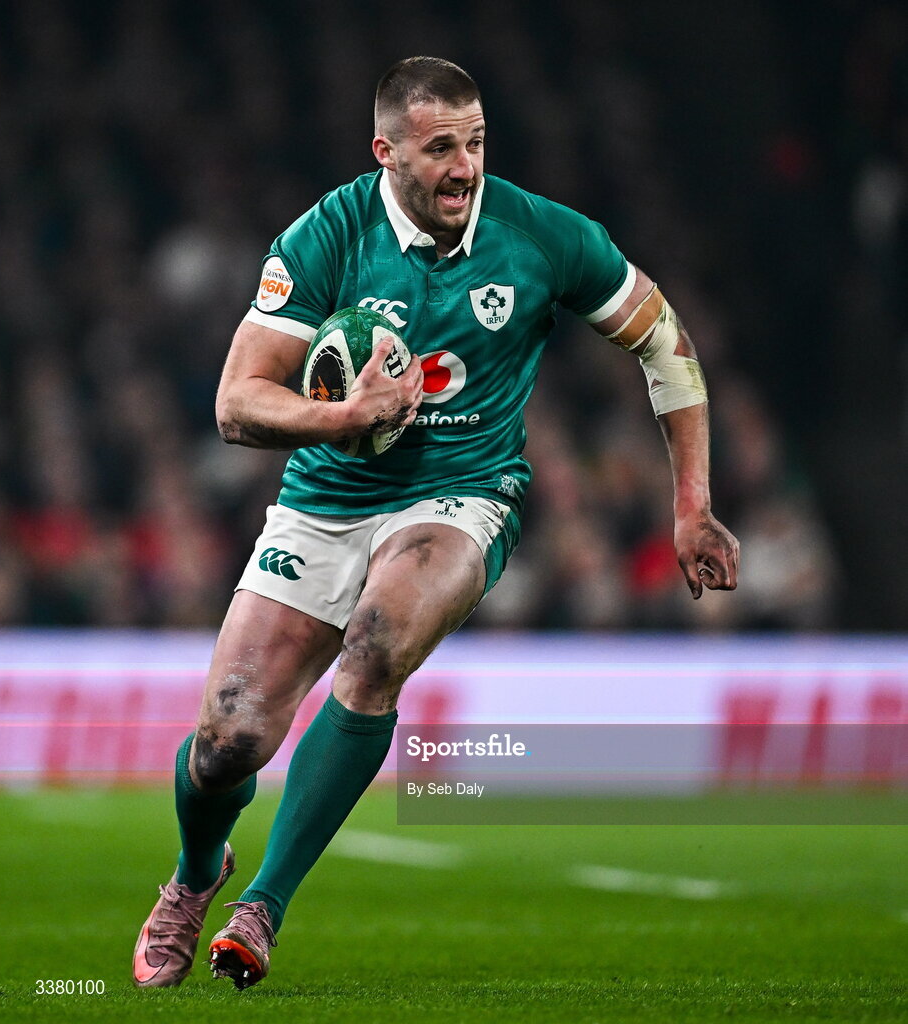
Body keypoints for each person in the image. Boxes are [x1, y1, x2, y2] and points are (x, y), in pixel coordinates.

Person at [132, 56, 739, 991]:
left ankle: (263, 906)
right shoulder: (328, 235)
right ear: (386, 153)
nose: (465, 167)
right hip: (326, 498)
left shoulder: (541, 234)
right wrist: (345, 416)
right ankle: (192, 876)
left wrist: (691, 503)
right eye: (441, 148)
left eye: (477, 143)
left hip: (463, 494)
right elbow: (235, 404)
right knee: (226, 745)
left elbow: (668, 345)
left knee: (377, 646)